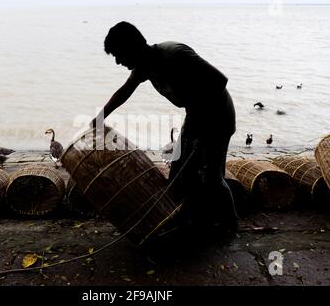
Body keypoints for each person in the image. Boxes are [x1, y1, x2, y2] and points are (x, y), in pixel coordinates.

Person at [91, 21, 238, 233]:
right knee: (179, 170)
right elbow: (125, 91)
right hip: (195, 117)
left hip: (217, 117)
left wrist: (202, 130)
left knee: (213, 176)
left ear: (131, 47)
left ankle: (230, 223)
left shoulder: (174, 54)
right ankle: (185, 218)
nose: (117, 62)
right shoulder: (145, 66)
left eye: (118, 55)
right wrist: (100, 117)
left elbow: (219, 81)